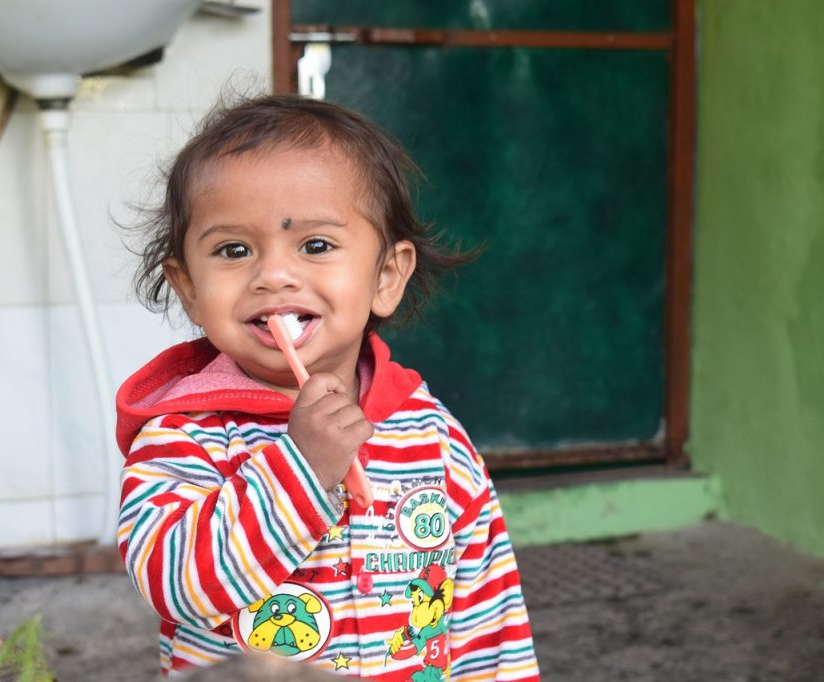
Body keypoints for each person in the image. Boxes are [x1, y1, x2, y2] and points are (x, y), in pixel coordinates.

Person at [115, 94, 540, 680]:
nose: (274, 275)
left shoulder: (431, 433)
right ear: (188, 289)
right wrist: (301, 471)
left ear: (386, 277)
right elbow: (173, 585)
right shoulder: (183, 433)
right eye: (233, 250)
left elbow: (487, 610)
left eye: (315, 245)